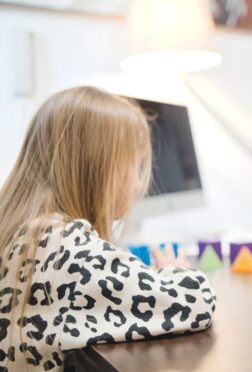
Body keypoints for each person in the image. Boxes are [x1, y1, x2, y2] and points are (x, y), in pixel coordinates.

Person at [0, 87, 216, 371]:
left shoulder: (29, 232)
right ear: (102, 168)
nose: (140, 187)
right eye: (136, 167)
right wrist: (177, 270)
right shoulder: (67, 249)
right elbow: (195, 302)